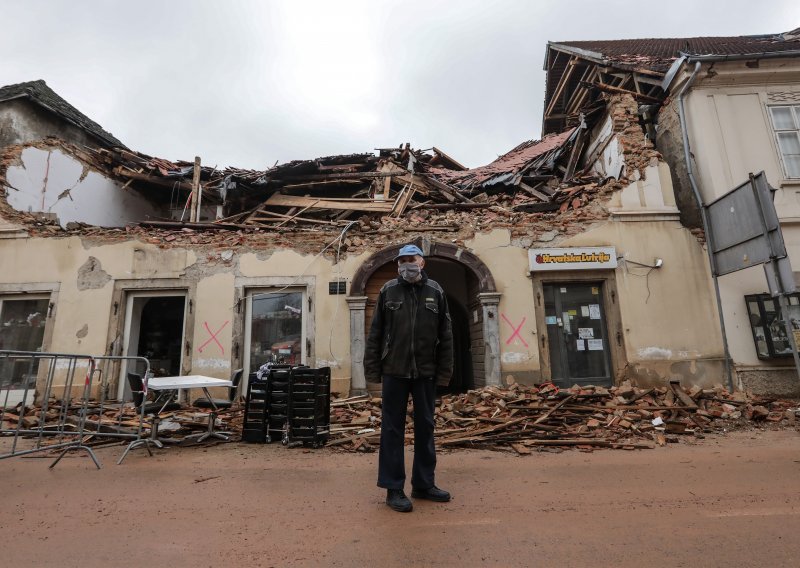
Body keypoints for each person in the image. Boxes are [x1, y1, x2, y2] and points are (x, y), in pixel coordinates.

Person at [364, 243, 454, 512]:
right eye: (401, 262)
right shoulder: (388, 290)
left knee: (426, 427)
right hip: (394, 370)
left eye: (411, 260)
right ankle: (393, 488)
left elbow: (446, 335)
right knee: (392, 430)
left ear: (422, 262)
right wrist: (372, 371)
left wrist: (444, 373)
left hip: (425, 372)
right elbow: (376, 334)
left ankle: (424, 484)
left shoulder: (435, 291)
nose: (406, 265)